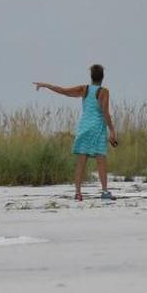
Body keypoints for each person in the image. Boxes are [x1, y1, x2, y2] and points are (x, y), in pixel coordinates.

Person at [34, 63, 118, 201]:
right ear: (102, 77)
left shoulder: (83, 89)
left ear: (91, 77)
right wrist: (112, 130)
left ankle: (78, 193)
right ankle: (104, 191)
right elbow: (105, 113)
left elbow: (63, 91)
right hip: (97, 129)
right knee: (101, 161)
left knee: (81, 162)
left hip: (84, 129)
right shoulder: (104, 92)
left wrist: (45, 85)